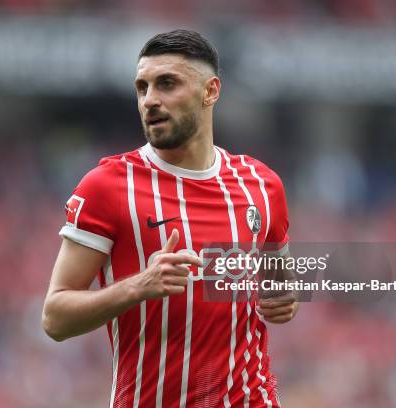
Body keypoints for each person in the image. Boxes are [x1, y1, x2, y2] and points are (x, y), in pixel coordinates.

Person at [42, 29, 298, 408]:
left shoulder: (261, 185)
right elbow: (55, 318)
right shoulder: (108, 186)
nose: (150, 100)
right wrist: (139, 285)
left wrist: (286, 300)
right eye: (142, 87)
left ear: (210, 91)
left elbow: (280, 281)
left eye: (167, 84)